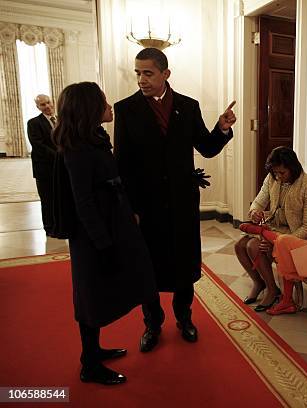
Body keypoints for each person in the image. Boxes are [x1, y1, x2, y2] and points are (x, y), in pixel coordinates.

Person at [114, 47, 236, 352]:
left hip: (182, 203)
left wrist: (222, 128)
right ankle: (152, 324)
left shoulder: (188, 106)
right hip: (146, 206)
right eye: (138, 73)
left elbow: (207, 148)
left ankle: (185, 318)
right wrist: (129, 208)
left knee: (184, 264)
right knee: (148, 267)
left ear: (166, 74)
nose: (141, 79)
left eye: (148, 73)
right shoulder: (125, 109)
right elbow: (122, 163)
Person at [53, 82, 157, 385]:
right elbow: (83, 201)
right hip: (94, 236)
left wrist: (128, 214)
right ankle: (90, 365)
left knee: (116, 287)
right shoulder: (76, 147)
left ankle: (93, 351)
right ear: (89, 108)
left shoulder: (94, 138)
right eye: (103, 102)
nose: (109, 105)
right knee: (90, 297)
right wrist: (103, 244)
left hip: (114, 227)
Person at [234, 147, 307, 312]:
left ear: (292, 168)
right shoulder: (272, 178)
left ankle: (273, 291)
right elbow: (258, 202)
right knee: (240, 245)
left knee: (254, 246)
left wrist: (282, 242)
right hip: (274, 228)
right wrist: (255, 212)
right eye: (275, 173)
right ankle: (260, 283)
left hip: (297, 236)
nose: (278, 176)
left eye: (282, 173)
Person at [27, 94, 57, 234]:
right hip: (44, 167)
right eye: (43, 105)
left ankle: (61, 224)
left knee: (59, 196)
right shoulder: (33, 123)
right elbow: (38, 145)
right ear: (38, 107)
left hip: (60, 166)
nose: (47, 106)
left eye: (48, 102)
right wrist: (59, 156)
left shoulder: (61, 120)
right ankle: (49, 228)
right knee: (47, 199)